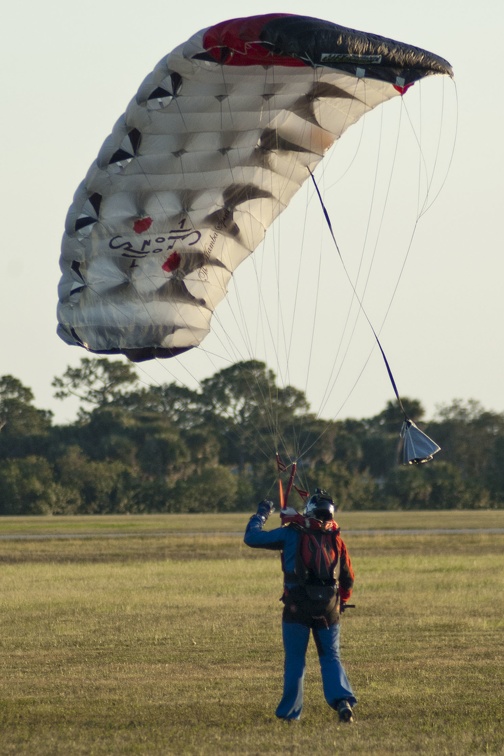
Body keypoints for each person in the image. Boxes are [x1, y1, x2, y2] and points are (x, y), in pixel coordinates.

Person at [244, 488, 357, 723]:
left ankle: (290, 713)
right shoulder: (335, 536)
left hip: (297, 606)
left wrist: (261, 514)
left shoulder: (292, 533)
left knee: (296, 659)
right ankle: (342, 701)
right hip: (329, 608)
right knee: (331, 656)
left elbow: (252, 538)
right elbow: (347, 577)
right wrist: (341, 602)